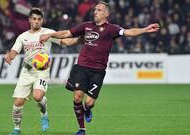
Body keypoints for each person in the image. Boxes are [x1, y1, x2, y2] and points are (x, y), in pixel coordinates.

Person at [40, 1, 160, 135]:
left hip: (97, 71)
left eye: (99, 10)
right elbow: (67, 33)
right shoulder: (86, 26)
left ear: (106, 14)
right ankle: (82, 129)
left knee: (89, 102)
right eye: (95, 9)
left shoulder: (112, 29)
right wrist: (50, 35)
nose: (95, 12)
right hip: (81, 67)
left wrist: (144, 30)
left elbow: (129, 32)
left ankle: (88, 109)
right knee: (77, 97)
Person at [5, 8, 79, 135]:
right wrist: (10, 56)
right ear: (29, 20)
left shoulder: (48, 33)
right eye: (34, 19)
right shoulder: (23, 37)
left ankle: (44, 113)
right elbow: (14, 51)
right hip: (27, 71)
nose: (36, 21)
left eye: (39, 19)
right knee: (18, 103)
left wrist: (79, 40)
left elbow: (64, 41)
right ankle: (17, 128)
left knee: (37, 96)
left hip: (42, 71)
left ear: (42, 20)